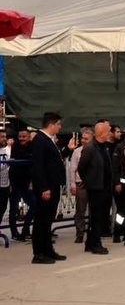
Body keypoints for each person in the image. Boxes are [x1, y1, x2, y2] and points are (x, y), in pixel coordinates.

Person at [30, 112, 69, 264]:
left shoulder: (49, 140)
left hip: (53, 186)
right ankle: (38, 253)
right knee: (41, 221)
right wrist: (43, 188)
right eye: (59, 124)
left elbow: (54, 161)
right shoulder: (40, 140)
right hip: (46, 188)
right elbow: (38, 166)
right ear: (51, 123)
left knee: (47, 221)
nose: (60, 127)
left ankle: (48, 250)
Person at [78, 122, 113, 255]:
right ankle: (95, 243)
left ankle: (90, 242)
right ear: (101, 133)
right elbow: (81, 167)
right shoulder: (90, 148)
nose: (110, 133)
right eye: (108, 131)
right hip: (96, 187)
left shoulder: (104, 147)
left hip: (104, 186)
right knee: (97, 216)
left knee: (99, 216)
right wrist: (88, 181)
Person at [69, 128, 94, 243]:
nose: (83, 140)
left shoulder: (96, 151)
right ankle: (79, 233)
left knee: (94, 209)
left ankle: (93, 232)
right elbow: (72, 169)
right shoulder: (77, 152)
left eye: (86, 139)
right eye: (82, 138)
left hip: (94, 183)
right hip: (81, 184)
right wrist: (73, 185)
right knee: (80, 210)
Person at [9, 129, 34, 241]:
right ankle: (14, 233)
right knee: (13, 209)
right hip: (15, 182)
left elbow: (31, 159)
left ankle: (25, 230)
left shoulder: (32, 146)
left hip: (26, 182)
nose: (22, 138)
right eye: (20, 136)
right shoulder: (15, 146)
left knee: (34, 205)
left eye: (24, 136)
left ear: (29, 137)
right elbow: (19, 158)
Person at [0, 131, 11, 241]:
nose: (4, 138)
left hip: (5, 184)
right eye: (2, 136)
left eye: (5, 136)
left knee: (2, 208)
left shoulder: (8, 150)